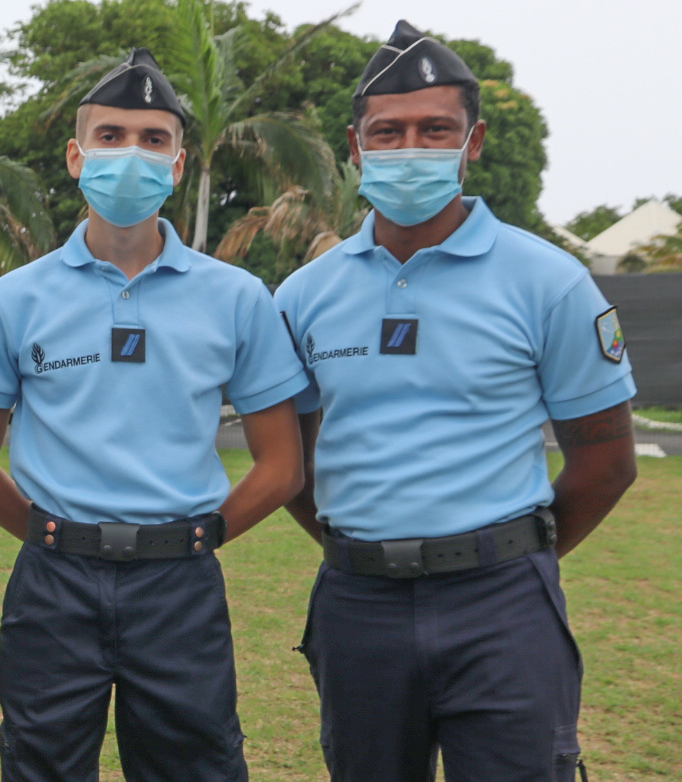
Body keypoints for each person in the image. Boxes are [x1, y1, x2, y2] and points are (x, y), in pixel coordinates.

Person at [275, 21, 639, 782]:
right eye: (389, 131)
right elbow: (292, 466)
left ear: (472, 143)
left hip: (501, 603)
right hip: (357, 601)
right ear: (355, 143)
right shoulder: (305, 295)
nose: (410, 148)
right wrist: (369, 550)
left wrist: (502, 558)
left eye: (434, 129)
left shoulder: (548, 281)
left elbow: (604, 461)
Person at [0, 49, 308, 782]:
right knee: (39, 767)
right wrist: (44, 534)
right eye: (111, 136)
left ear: (179, 164)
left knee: (195, 767)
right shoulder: (13, 300)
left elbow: (281, 465)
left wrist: (204, 535)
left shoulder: (237, 297)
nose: (131, 155)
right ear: (74, 155)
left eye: (153, 140)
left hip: (179, 582)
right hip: (52, 581)